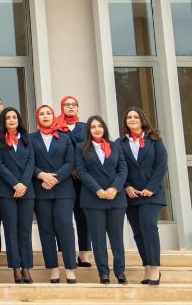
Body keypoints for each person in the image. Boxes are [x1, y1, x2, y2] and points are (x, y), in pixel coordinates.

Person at [74, 115, 127, 284]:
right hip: (93, 198)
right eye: (93, 127)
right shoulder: (81, 147)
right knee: (98, 239)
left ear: (104, 128)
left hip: (115, 198)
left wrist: (114, 188)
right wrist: (97, 190)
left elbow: (122, 170)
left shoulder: (115, 146)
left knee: (117, 237)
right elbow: (81, 171)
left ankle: (120, 272)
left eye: (100, 126)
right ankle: (103, 273)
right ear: (88, 130)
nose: (97, 129)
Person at [29, 104, 77, 284]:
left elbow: (71, 162)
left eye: (48, 113)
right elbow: (28, 161)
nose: (45, 116)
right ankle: (54, 268)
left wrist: (55, 178)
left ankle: (70, 268)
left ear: (53, 116)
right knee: (46, 228)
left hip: (63, 189)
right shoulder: (30, 139)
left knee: (65, 226)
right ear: (37, 117)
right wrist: (41, 175)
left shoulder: (65, 138)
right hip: (41, 189)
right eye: (41, 113)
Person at [120, 106, 167, 285]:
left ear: (142, 120)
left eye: (135, 117)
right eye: (129, 117)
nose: (132, 119)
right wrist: (126, 186)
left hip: (152, 194)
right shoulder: (120, 143)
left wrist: (151, 187)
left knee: (148, 226)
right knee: (138, 232)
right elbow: (119, 167)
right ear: (126, 122)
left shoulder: (155, 140)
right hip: (132, 195)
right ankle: (147, 266)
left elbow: (162, 165)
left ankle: (155, 268)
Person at [0, 107, 35, 284]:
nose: (11, 120)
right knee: (10, 230)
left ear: (19, 120)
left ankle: (26, 267)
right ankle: (16, 268)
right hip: (6, 191)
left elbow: (31, 162)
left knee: (25, 230)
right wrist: (14, 184)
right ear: (3, 121)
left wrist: (23, 184)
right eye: (8, 118)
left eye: (14, 117)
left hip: (26, 191)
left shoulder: (27, 139)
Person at [57, 95, 92, 268]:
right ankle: (64, 253)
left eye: (74, 105)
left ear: (78, 108)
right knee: (63, 218)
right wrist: (68, 169)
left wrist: (79, 169)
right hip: (63, 179)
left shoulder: (86, 128)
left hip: (81, 179)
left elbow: (90, 150)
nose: (70, 107)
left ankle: (84, 254)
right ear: (62, 108)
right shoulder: (55, 127)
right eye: (67, 105)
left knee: (83, 216)